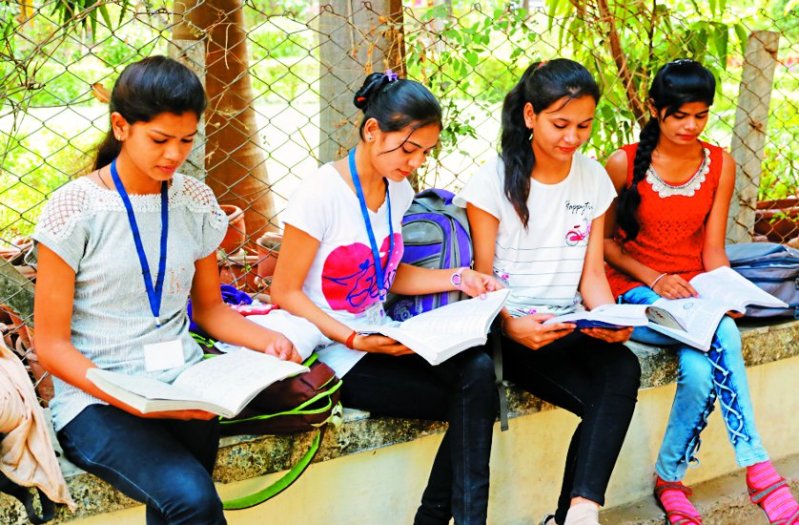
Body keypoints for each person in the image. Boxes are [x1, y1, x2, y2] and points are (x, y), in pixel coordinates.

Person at [32, 55, 300, 525]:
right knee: (191, 501)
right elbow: (50, 344)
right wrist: (126, 396)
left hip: (185, 391)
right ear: (121, 126)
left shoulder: (194, 201)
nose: (174, 155)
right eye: (159, 140)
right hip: (97, 400)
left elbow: (210, 310)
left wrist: (269, 341)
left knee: (180, 508)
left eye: (186, 140)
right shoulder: (75, 208)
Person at [270, 71, 499, 525]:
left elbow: (387, 275)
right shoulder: (321, 192)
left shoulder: (398, 189)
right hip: (336, 351)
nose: (415, 162)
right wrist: (353, 339)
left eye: (425, 152)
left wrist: (460, 277)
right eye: (408, 149)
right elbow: (284, 291)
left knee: (477, 371)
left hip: (383, 334)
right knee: (475, 402)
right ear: (372, 130)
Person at [604, 58, 799, 525]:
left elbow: (713, 252)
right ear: (655, 109)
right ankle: (758, 467)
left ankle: (669, 479)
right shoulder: (623, 163)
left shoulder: (719, 165)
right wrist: (656, 279)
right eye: (679, 115)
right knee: (721, 336)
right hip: (635, 293)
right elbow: (606, 245)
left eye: (701, 115)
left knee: (700, 371)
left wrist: (729, 296)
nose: (691, 126)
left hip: (694, 297)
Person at [458, 58, 641, 525]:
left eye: (584, 125)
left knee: (623, 365)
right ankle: (573, 518)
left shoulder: (592, 177)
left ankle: (580, 511)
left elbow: (592, 275)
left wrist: (610, 320)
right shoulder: (493, 181)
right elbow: (482, 281)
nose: (572, 137)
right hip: (513, 331)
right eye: (560, 124)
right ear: (530, 116)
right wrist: (511, 326)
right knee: (603, 401)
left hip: (569, 322)